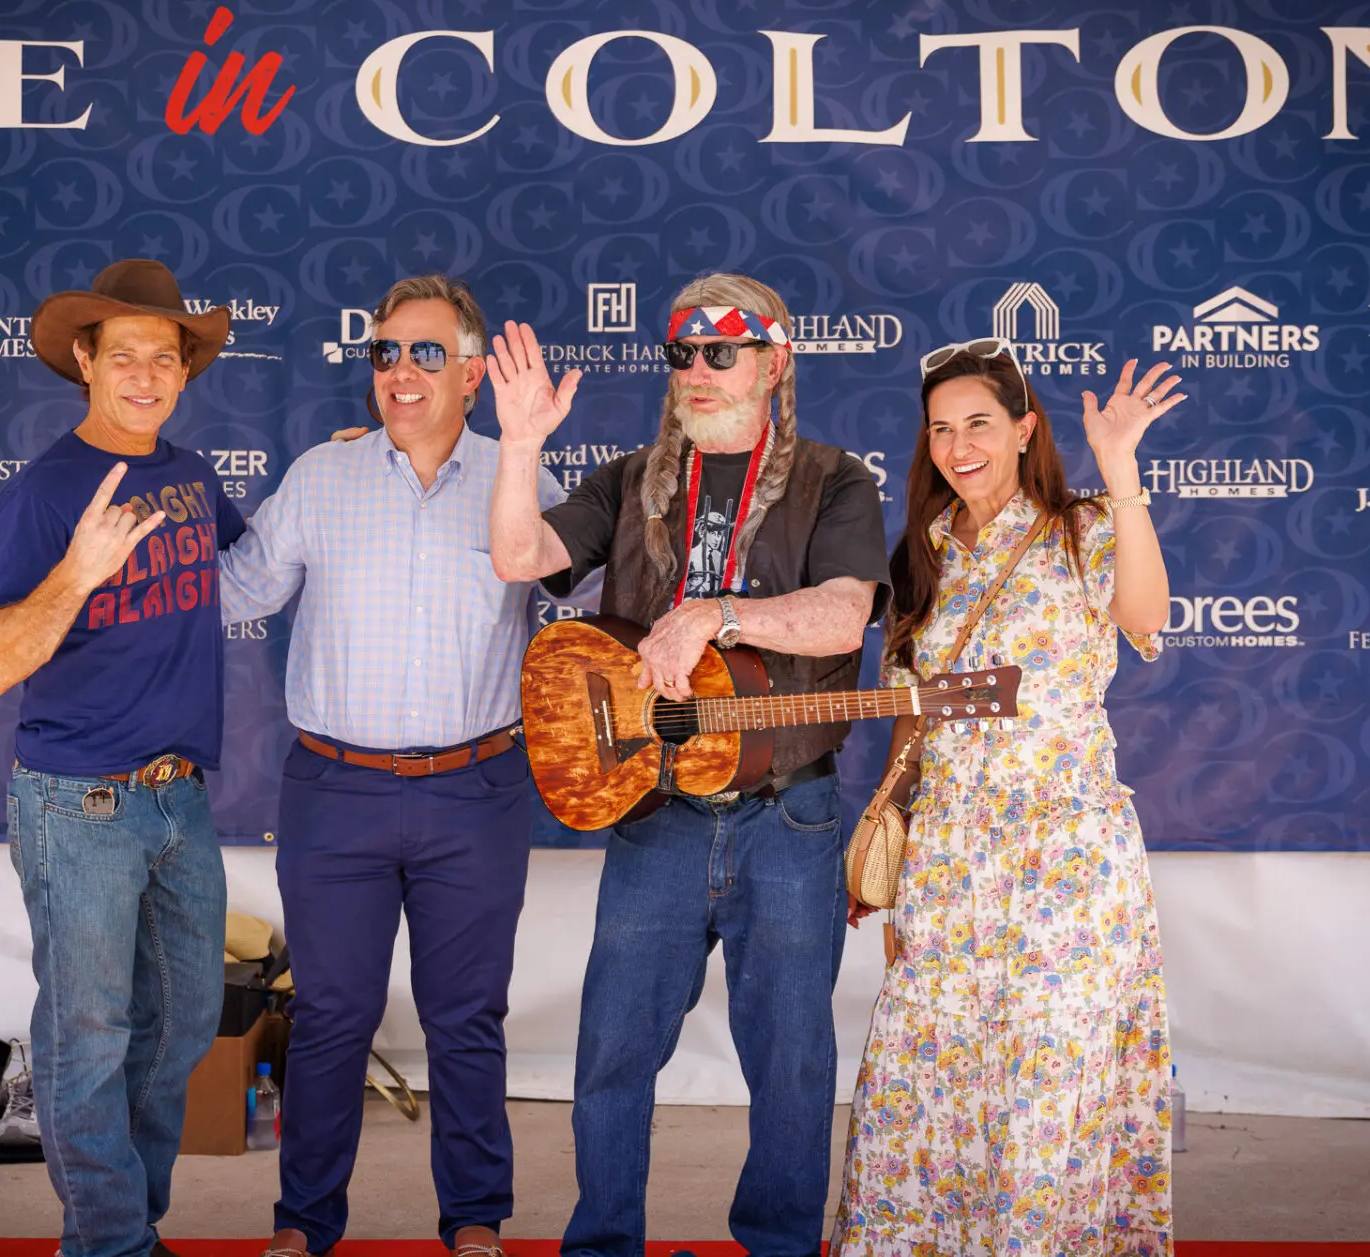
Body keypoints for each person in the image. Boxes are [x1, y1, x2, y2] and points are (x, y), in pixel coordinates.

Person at [488, 273, 891, 1257]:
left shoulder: (834, 480)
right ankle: (602, 1245)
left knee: (791, 1061)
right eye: (682, 353)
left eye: (722, 351)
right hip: (656, 809)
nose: (698, 370)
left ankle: (780, 1246)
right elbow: (519, 557)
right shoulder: (632, 480)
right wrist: (521, 444)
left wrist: (718, 613)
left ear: (773, 362)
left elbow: (845, 614)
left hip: (786, 812)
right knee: (612, 1050)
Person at [218, 274, 565, 1257]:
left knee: (468, 1018)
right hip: (336, 791)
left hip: (476, 789)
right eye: (385, 353)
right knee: (331, 1016)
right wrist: (137, 538)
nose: (399, 371)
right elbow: (234, 591)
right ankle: (304, 1223)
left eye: (424, 353)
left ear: (472, 374)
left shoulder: (521, 476)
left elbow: (585, 609)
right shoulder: (321, 478)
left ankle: (476, 1221)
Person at [828, 342, 1182, 1256]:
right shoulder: (921, 556)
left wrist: (1121, 465)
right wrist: (892, 837)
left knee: (1048, 1080)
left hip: (1067, 857)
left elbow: (1146, 617)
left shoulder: (1084, 528)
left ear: (1025, 429)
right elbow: (910, 719)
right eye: (941, 429)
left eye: (979, 423)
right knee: (924, 1079)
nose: (959, 446)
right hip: (949, 857)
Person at [0, 259, 244, 1257]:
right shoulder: (45, 493)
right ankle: (111, 1244)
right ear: (85, 361)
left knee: (181, 1027)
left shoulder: (192, 476)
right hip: (76, 802)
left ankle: (126, 1228)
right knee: (87, 1038)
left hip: (179, 800)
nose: (144, 375)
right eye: (122, 354)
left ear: (185, 371)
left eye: (163, 357)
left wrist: (349, 465)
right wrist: (78, 574)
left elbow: (257, 566)